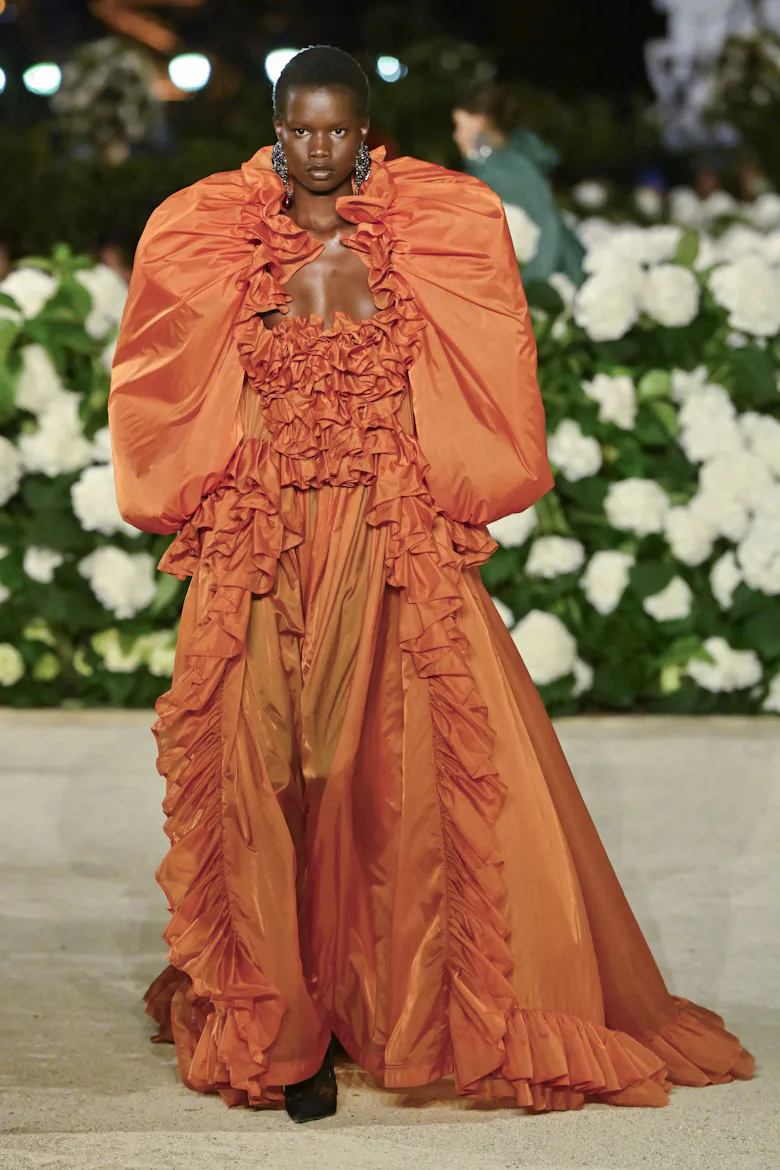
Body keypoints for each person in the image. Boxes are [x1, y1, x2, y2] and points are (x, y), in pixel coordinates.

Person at [109, 45, 754, 1124]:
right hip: (266, 534)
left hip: (384, 528)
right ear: (276, 127)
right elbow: (162, 374)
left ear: (366, 132)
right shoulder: (207, 230)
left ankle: (391, 1005)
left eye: (338, 130)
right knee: (268, 762)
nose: (318, 149)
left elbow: (486, 368)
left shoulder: (437, 229)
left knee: (385, 766)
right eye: (299, 129)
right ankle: (286, 1021)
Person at [453, 84, 585, 285]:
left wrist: (530, 284)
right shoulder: (495, 165)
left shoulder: (508, 170)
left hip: (544, 279)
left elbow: (548, 227)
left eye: (459, 126)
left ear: (479, 123)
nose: (456, 136)